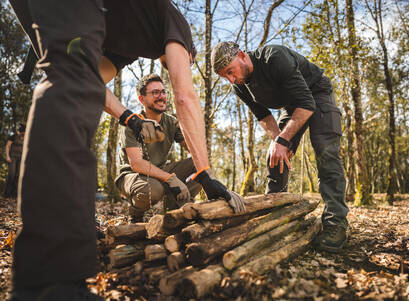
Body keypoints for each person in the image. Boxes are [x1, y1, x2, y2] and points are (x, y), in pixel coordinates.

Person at [8, 0, 244, 300]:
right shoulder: (177, 25)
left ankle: (46, 274)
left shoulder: (126, 43)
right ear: (187, 52)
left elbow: (90, 81)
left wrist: (126, 116)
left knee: (67, 77)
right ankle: (49, 282)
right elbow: (185, 96)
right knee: (67, 79)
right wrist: (206, 174)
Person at [211, 42, 349, 253]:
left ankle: (336, 224)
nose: (231, 79)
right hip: (293, 105)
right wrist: (279, 142)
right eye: (225, 77)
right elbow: (263, 116)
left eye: (230, 71)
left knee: (326, 152)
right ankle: (274, 218)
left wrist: (284, 140)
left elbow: (307, 102)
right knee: (274, 156)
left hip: (316, 93)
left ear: (242, 55)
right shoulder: (239, 86)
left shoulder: (274, 56)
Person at [117, 74, 202, 222]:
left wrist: (188, 121)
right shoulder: (132, 124)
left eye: (163, 92)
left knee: (199, 164)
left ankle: (179, 211)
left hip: (159, 171)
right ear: (142, 99)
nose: (161, 96)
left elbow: (195, 149)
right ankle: (135, 215)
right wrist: (170, 178)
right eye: (155, 93)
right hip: (132, 176)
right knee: (154, 189)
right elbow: (136, 164)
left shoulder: (171, 122)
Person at [4, 124, 25, 200]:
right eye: (23, 133)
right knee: (11, 174)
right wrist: (7, 156)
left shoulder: (25, 138)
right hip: (13, 157)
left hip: (21, 158)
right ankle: (7, 194)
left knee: (18, 175)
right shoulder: (13, 136)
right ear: (20, 131)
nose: (24, 134)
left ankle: (14, 195)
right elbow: (7, 146)